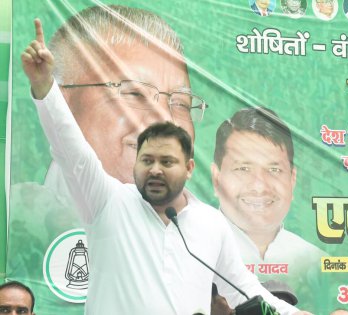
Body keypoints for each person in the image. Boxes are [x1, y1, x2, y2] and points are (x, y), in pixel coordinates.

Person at [22, 17, 313, 315]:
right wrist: (45, 88)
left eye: (167, 162)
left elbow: (245, 290)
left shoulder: (210, 223)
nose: (156, 170)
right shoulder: (107, 201)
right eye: (147, 161)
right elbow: (69, 146)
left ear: (189, 168)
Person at [10, 4, 207, 303]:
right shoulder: (18, 219)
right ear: (64, 103)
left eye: (180, 102)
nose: (165, 120)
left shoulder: (206, 229)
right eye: (134, 93)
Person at [211, 107, 326, 293]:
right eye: (243, 169)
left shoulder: (317, 262)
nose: (259, 186)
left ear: (292, 179)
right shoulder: (188, 251)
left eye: (274, 170)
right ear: (216, 179)